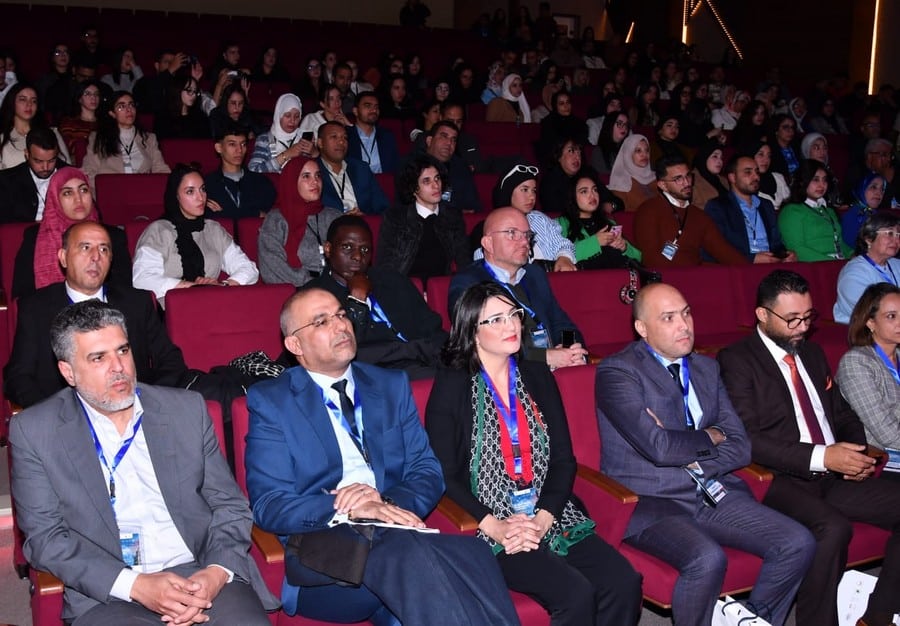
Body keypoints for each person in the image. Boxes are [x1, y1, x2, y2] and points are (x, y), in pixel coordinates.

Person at [244, 287, 520, 625]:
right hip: (327, 554)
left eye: (342, 314)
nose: (341, 325)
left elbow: (426, 470)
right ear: (295, 345)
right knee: (419, 561)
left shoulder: (389, 385)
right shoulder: (273, 401)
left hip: (398, 535)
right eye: (321, 321)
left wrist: (383, 502)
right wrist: (347, 505)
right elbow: (269, 504)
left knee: (474, 555)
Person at [9, 299, 278, 625]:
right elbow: (45, 539)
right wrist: (135, 585)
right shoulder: (36, 431)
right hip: (109, 590)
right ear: (68, 372)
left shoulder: (186, 411)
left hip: (200, 572)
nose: (118, 367)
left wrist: (216, 573)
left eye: (123, 351)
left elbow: (230, 506)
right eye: (98, 358)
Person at [597, 282, 815, 626]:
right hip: (653, 501)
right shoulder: (618, 372)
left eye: (685, 313)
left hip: (712, 491)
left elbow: (740, 445)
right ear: (642, 328)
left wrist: (690, 448)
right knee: (707, 559)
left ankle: (751, 621)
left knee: (798, 543)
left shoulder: (705, 368)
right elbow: (658, 448)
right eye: (668, 318)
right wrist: (710, 436)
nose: (684, 325)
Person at [426, 281, 643, 625]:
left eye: (513, 315)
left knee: (623, 582)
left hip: (550, 513)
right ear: (471, 330)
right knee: (575, 594)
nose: (511, 325)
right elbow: (442, 473)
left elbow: (563, 459)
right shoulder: (453, 384)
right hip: (492, 526)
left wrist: (544, 517)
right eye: (495, 320)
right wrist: (495, 526)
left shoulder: (537, 374)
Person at [717, 269, 900, 626]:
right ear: (762, 315)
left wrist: (854, 450)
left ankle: (878, 615)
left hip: (834, 472)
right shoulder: (737, 360)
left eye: (808, 316)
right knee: (831, 528)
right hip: (779, 478)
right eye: (792, 319)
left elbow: (842, 413)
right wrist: (822, 456)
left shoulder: (812, 353)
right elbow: (748, 437)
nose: (802, 327)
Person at [4, 221, 191, 408]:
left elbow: (171, 362)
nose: (95, 257)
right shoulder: (36, 308)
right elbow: (18, 377)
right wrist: (52, 413)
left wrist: (145, 402)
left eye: (103, 250)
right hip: (66, 419)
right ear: (63, 257)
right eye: (85, 248)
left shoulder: (137, 303)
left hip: (132, 410)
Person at [308, 215, 447, 378]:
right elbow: (345, 353)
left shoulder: (392, 280)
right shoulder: (314, 297)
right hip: (375, 374)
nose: (358, 257)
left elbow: (432, 327)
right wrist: (357, 301)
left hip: (424, 360)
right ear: (328, 249)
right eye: (347, 247)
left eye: (365, 249)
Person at [450, 207, 588, 370]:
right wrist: (544, 357)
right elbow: (478, 344)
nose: (524, 242)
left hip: (553, 369)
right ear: (488, 243)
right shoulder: (469, 283)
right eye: (511, 233)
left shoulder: (534, 274)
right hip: (506, 376)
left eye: (527, 235)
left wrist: (571, 351)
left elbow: (561, 323)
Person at [132, 164, 258, 307]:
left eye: (203, 189)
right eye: (190, 192)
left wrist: (222, 285)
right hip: (171, 312)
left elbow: (248, 268)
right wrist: (192, 287)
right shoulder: (159, 231)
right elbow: (142, 279)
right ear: (176, 196)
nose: (201, 198)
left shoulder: (213, 229)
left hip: (213, 305)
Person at [11, 166, 131, 300]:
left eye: (83, 190)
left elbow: (123, 293)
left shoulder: (113, 236)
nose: (78, 199)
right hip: (48, 315)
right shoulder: (35, 237)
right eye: (68, 193)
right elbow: (22, 295)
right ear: (55, 198)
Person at [633, 155, 748, 267]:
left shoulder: (698, 215)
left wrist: (752, 271)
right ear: (663, 185)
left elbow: (725, 252)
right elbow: (650, 259)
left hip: (695, 277)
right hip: (665, 280)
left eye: (688, 176)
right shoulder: (649, 210)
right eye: (678, 179)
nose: (687, 183)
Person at [376, 154, 470, 281]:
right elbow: (386, 265)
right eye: (427, 181)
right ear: (414, 189)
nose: (436, 185)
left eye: (437, 178)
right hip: (407, 288)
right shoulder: (396, 218)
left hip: (440, 289)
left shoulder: (452, 216)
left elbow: (464, 260)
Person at [258, 156, 341, 287]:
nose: (315, 182)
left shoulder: (335, 216)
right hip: (296, 291)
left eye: (318, 175)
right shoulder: (276, 220)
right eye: (306, 176)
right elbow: (272, 265)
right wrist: (312, 285)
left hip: (336, 287)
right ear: (292, 181)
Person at [836, 283, 900, 451]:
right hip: (880, 455)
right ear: (870, 322)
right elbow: (888, 434)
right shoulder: (856, 362)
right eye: (891, 316)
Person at [478, 163, 577, 272]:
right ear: (508, 192)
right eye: (525, 190)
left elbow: (563, 244)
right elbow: (480, 260)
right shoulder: (491, 225)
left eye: (533, 190)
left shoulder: (539, 219)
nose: (531, 196)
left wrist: (564, 257)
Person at [704, 155, 795, 263]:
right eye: (748, 172)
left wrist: (785, 255)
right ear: (732, 177)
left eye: (757, 172)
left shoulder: (766, 205)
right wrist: (751, 259)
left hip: (770, 265)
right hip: (739, 267)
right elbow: (716, 249)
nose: (755, 177)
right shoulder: (718, 207)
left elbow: (776, 244)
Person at [81, 91, 170, 190]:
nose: (129, 109)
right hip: (111, 192)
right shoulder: (98, 138)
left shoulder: (149, 138)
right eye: (121, 106)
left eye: (131, 105)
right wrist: (106, 190)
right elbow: (89, 171)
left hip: (142, 190)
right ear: (112, 113)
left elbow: (161, 169)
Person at [558, 169, 641, 269]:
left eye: (595, 190)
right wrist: (595, 242)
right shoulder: (560, 224)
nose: (592, 195)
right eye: (584, 191)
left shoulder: (608, 222)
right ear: (572, 197)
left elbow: (639, 257)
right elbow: (557, 257)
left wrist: (624, 247)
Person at [777, 159, 853, 261]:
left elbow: (839, 243)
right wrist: (833, 263)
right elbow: (797, 249)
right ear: (802, 182)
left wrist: (853, 255)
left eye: (824, 180)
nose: (822, 185)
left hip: (838, 264)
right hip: (815, 268)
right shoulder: (791, 211)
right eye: (815, 179)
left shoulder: (829, 210)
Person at [833, 212, 900, 324]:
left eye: (898, 235)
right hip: (864, 330)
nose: (896, 240)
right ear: (869, 238)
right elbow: (873, 312)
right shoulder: (854, 273)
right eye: (889, 233)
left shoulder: (896, 264)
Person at [204, 122, 277, 219]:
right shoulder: (207, 185)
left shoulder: (261, 182)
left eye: (243, 144)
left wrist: (224, 212)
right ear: (219, 148)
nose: (239, 150)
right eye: (232, 144)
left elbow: (269, 217)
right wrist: (255, 213)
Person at [317, 121, 390, 215]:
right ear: (320, 143)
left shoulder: (361, 169)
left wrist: (366, 218)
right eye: (334, 137)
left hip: (364, 224)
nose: (341, 141)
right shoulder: (313, 171)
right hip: (330, 227)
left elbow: (382, 206)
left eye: (345, 138)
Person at [0, 82, 71, 169]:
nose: (29, 104)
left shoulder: (51, 133)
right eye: (23, 99)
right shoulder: (2, 138)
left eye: (33, 101)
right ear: (11, 102)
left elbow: (68, 167)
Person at [0, 126, 61, 223]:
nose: (45, 167)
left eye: (51, 160)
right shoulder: (7, 181)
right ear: (27, 154)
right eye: (38, 161)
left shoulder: (71, 176)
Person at [248, 93, 313, 174]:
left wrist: (314, 153)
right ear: (279, 115)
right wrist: (286, 154)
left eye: (296, 116)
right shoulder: (265, 139)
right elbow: (253, 170)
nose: (292, 121)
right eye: (287, 115)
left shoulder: (303, 137)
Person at [346, 91, 400, 175]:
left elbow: (395, 169)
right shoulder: (346, 136)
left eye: (376, 107)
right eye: (368, 106)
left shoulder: (387, 136)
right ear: (355, 111)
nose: (374, 110)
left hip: (384, 184)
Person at [608, 134, 657, 212]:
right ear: (628, 153)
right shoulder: (621, 180)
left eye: (647, 150)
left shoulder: (656, 177)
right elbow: (623, 214)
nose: (644, 155)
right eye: (638, 151)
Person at [153, 75, 210, 140]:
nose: (194, 95)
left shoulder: (200, 118)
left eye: (195, 91)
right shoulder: (163, 118)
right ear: (178, 90)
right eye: (189, 90)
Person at [57, 79, 101, 159]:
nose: (93, 97)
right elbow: (66, 149)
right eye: (87, 94)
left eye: (96, 94)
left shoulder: (105, 122)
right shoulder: (69, 123)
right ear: (79, 98)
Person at [841, 172, 887, 248]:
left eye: (882, 189)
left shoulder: (879, 216)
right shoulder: (852, 215)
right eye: (873, 187)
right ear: (862, 188)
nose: (879, 193)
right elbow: (850, 245)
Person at [538, 90, 587, 158]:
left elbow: (582, 144)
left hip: (577, 158)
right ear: (555, 106)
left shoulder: (579, 123)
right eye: (561, 103)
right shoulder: (548, 123)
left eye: (568, 102)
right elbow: (549, 147)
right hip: (557, 159)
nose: (566, 106)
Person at [749, 139, 791, 211]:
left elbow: (790, 204)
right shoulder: (747, 183)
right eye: (761, 154)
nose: (766, 160)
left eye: (769, 156)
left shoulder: (778, 178)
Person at [689, 142, 727, 210]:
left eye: (721, 157)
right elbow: (689, 208)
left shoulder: (724, 180)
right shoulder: (691, 180)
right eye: (715, 156)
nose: (720, 161)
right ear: (704, 157)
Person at [591, 111, 629, 176]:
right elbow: (603, 178)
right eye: (620, 123)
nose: (624, 127)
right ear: (610, 125)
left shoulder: (628, 149)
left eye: (626, 124)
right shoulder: (598, 151)